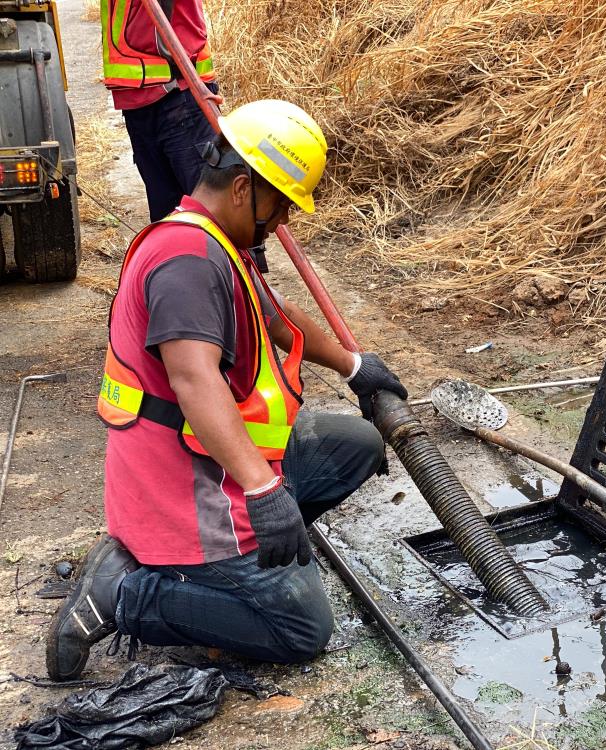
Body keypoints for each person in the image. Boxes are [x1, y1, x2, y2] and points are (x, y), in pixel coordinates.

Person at [45, 99, 408, 681]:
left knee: (356, 443)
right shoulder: (186, 259)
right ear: (244, 188)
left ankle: (254, 562)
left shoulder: (215, 242)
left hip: (212, 462)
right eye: (282, 204)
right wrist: (264, 491)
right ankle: (126, 595)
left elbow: (274, 315)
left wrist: (354, 365)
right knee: (303, 629)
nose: (284, 220)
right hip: (187, 491)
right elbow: (193, 379)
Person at [101, 0, 221, 221]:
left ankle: (233, 257)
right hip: (138, 99)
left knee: (212, 210)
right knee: (167, 216)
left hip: (178, 90)